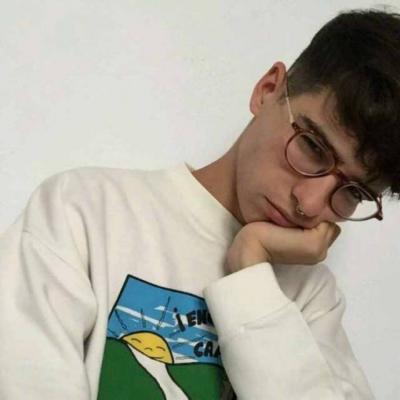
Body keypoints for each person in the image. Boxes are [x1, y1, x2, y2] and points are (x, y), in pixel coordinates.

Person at [0, 7, 398, 400]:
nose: (309, 204)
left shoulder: (312, 298)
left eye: (354, 192)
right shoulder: (85, 211)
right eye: (311, 146)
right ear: (268, 90)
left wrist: (250, 266)